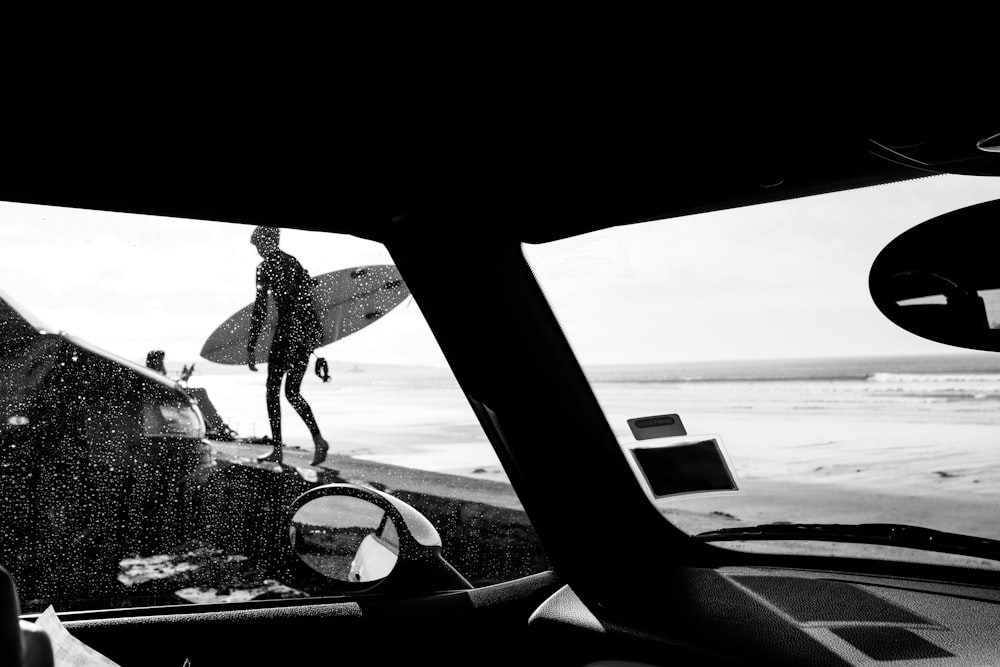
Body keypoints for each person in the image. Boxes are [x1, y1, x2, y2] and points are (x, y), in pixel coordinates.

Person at [247, 226, 329, 465]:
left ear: (266, 242)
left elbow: (260, 308)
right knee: (292, 392)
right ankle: (319, 440)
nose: (258, 251)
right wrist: (311, 335)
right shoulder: (294, 263)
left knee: (272, 391)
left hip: (286, 335)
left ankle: (278, 450)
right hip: (302, 336)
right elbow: (308, 299)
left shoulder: (264, 268)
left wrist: (251, 346)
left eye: (258, 245)